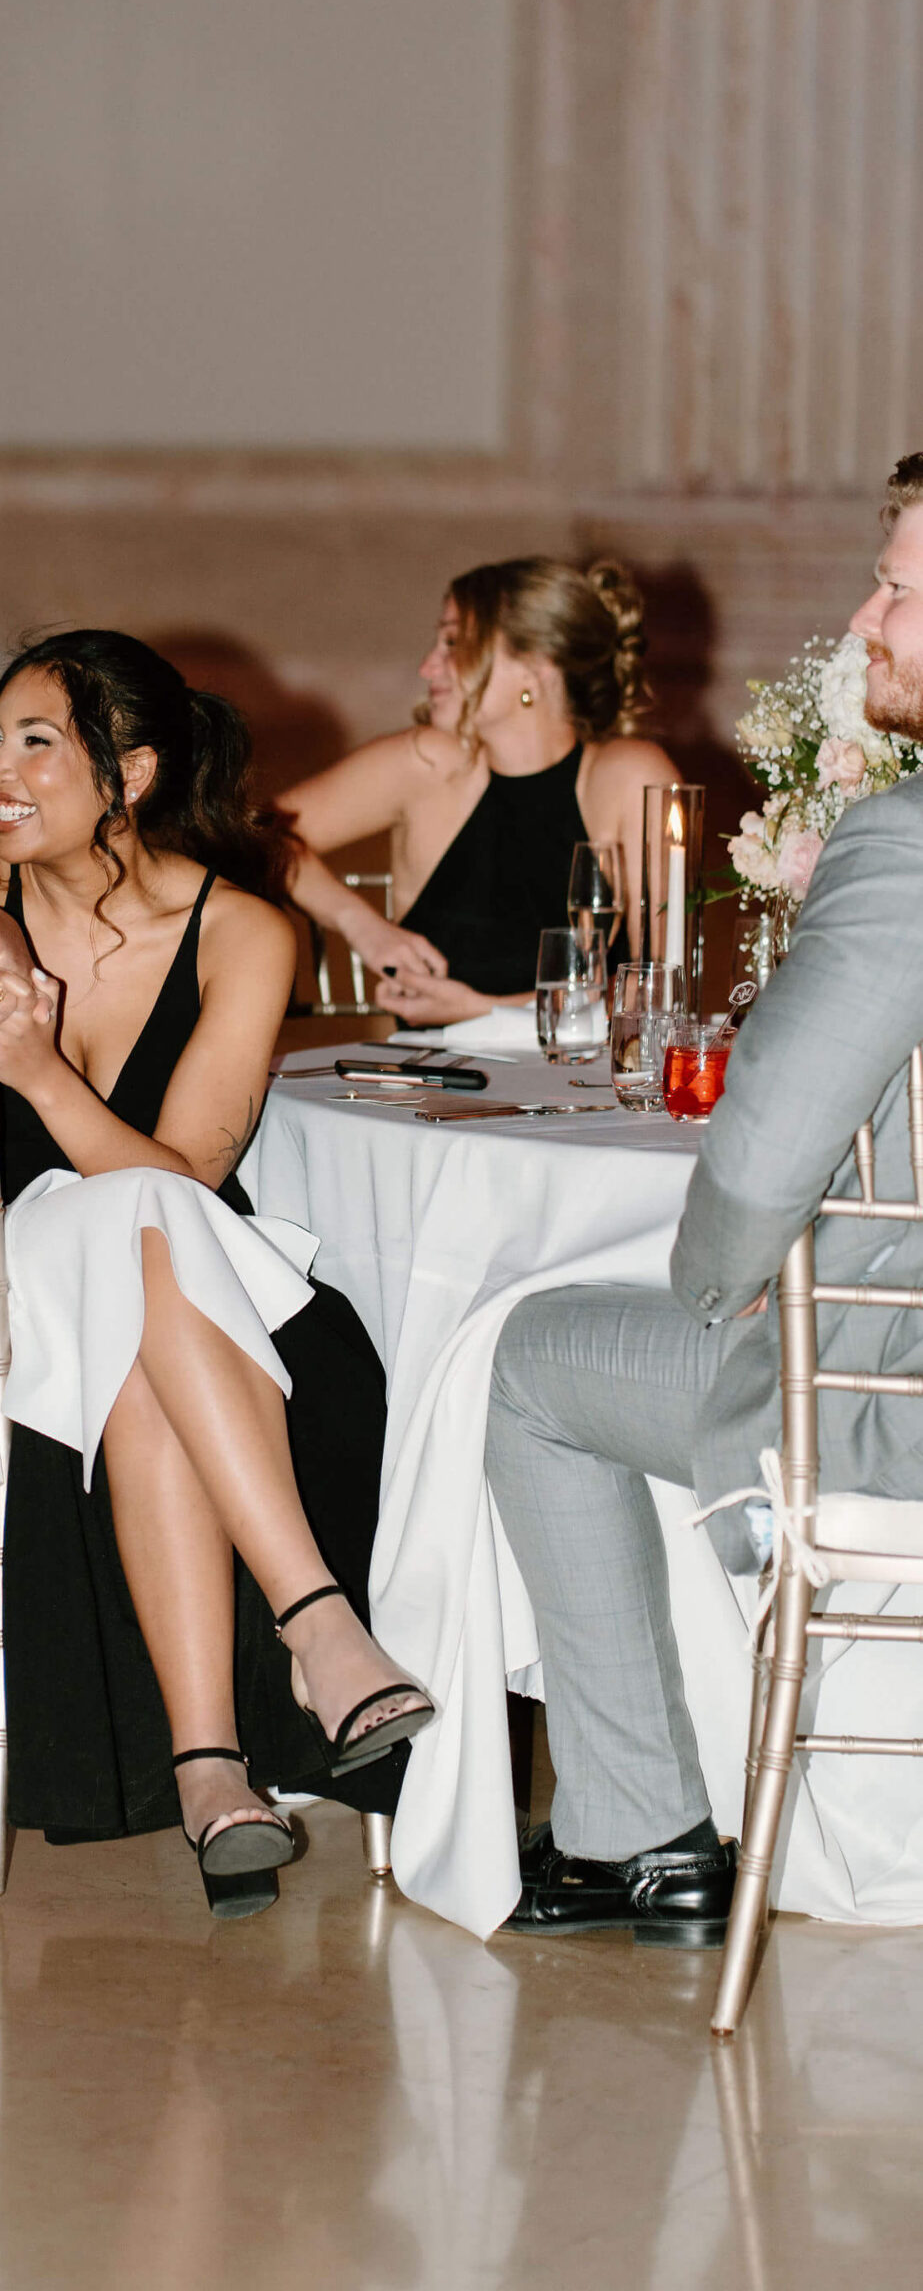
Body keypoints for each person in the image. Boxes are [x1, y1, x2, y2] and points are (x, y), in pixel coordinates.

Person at [0, 629, 433, 1918]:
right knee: (126, 1243)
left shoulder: (242, 931)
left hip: (177, 1295)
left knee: (138, 1241)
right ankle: (316, 1626)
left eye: (34, 742)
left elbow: (180, 1171)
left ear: (129, 775)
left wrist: (38, 1071)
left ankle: (208, 1768)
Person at [484, 457, 923, 1943]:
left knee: (533, 1356)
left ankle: (637, 1834)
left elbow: (751, 1158)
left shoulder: (909, 840)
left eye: (897, 591)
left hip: (893, 1409)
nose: (864, 617)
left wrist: (709, 1290)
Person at [277, 557, 681, 1027]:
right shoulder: (424, 763)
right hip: (429, 1090)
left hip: (589, 1092)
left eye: (453, 642)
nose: (428, 666)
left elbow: (659, 993)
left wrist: (483, 1013)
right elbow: (249, 834)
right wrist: (360, 925)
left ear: (534, 666)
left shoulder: (629, 776)